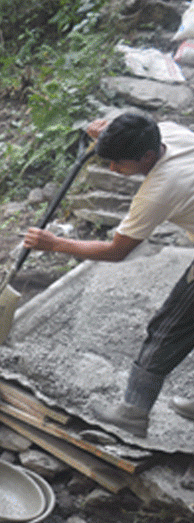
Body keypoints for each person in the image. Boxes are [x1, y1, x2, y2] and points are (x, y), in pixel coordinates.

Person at [23, 112, 194, 438]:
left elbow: (117, 251)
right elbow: (136, 123)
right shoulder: (168, 134)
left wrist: (55, 243)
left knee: (169, 327)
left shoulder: (159, 190)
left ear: (146, 156)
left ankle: (133, 411)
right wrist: (108, 126)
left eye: (119, 163)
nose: (113, 169)